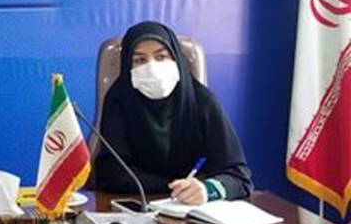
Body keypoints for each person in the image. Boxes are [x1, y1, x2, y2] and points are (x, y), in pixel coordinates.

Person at [94, 21, 252, 204]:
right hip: (133, 208)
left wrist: (207, 189)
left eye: (161, 57)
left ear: (176, 59)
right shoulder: (118, 100)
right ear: (127, 66)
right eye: (139, 60)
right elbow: (110, 175)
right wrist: (174, 185)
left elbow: (239, 176)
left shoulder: (202, 102)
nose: (152, 67)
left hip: (191, 212)